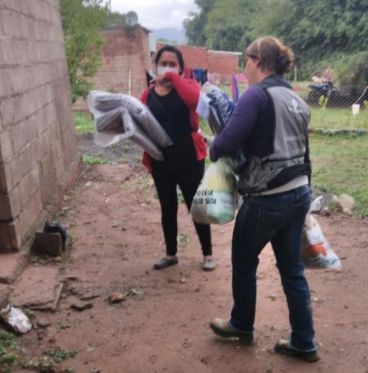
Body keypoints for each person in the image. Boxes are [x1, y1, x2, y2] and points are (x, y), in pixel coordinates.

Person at [208, 36, 319, 362]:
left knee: (243, 262)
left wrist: (213, 146)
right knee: (292, 271)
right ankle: (304, 342)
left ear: (258, 61)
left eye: (247, 60)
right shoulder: (294, 98)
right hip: (298, 192)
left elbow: (227, 142)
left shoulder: (256, 96)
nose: (245, 67)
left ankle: (242, 324)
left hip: (267, 198)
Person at [140, 45, 215, 271]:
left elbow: (195, 102)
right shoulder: (148, 93)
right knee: (167, 207)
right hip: (161, 160)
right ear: (156, 66)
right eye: (164, 63)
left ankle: (207, 254)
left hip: (189, 158)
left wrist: (174, 78)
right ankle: (171, 253)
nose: (168, 67)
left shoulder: (189, 86)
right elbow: (140, 122)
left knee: (196, 205)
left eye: (174, 64)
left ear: (181, 68)